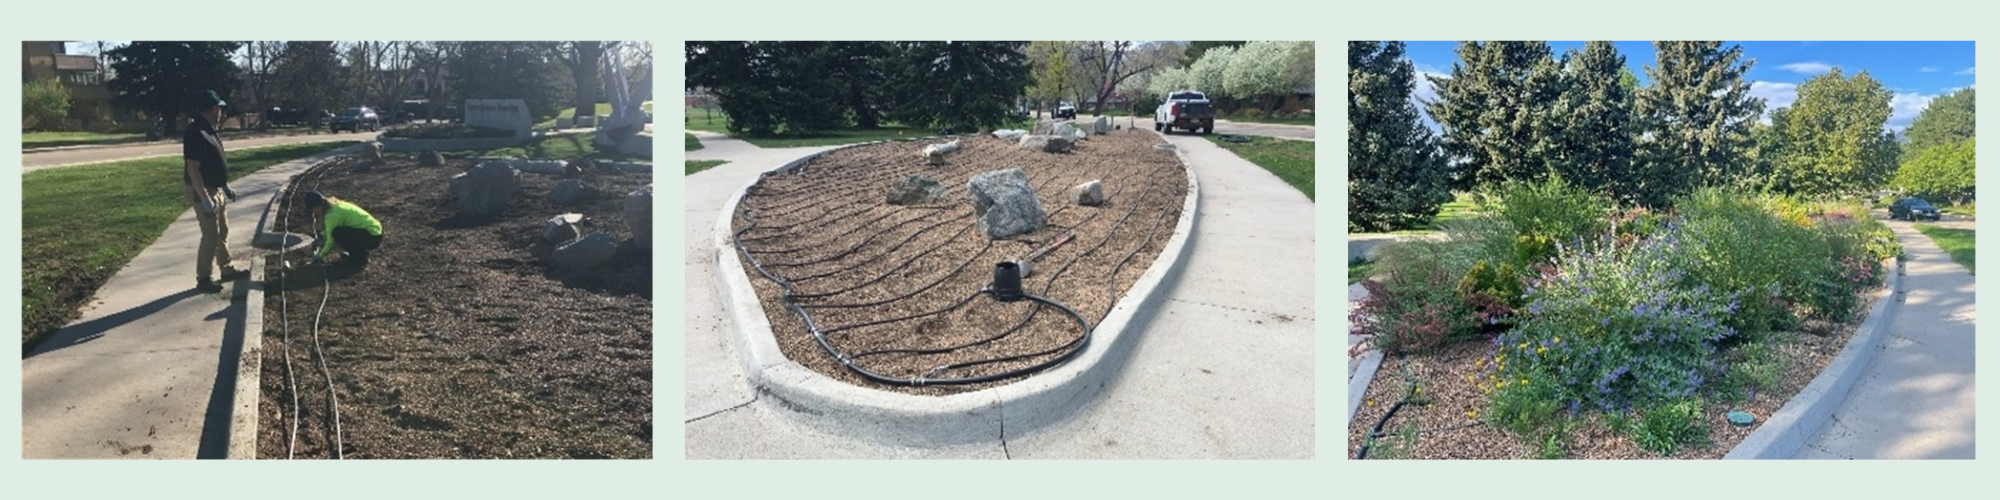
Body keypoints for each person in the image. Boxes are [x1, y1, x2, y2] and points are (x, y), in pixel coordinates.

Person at [185, 90, 245, 293]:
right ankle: (204, 278)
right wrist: (204, 198)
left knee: (222, 231)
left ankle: (226, 269)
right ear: (212, 108)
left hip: (216, 188)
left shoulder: (210, 130)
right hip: (203, 190)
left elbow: (214, 162)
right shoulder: (196, 132)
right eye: (219, 108)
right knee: (210, 235)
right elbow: (193, 168)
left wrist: (225, 185)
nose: (221, 112)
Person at [300, 191, 384, 268]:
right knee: (340, 232)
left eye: (312, 210)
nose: (313, 213)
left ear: (318, 206)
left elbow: (331, 241)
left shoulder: (332, 215)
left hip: (372, 237)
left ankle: (359, 257)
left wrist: (320, 256)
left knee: (338, 234)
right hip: (374, 231)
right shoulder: (334, 205)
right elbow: (330, 229)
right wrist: (321, 236)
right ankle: (355, 255)